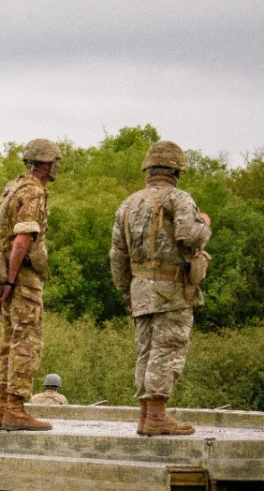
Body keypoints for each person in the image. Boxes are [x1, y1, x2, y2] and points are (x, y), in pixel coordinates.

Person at [110, 140, 211, 436]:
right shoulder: (179, 198)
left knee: (145, 350)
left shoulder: (128, 204)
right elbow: (189, 235)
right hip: (172, 289)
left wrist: (126, 291)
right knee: (167, 350)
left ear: (148, 170)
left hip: (140, 288)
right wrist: (204, 223)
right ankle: (156, 417)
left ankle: (146, 416)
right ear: (176, 171)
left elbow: (118, 255)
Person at [0, 138, 60, 431]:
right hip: (22, 277)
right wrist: (12, 278)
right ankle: (16, 409)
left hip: (7, 272)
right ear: (43, 163)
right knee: (25, 342)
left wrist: (4, 279)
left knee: (9, 341)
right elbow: (21, 240)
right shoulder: (33, 192)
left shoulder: (13, 187)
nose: (58, 167)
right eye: (55, 161)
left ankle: (3, 407)